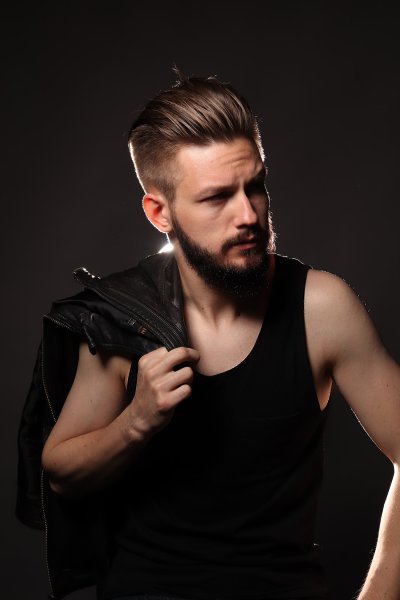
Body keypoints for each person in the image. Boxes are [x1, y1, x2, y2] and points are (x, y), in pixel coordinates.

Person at [16, 69, 400, 600]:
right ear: (160, 213)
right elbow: (60, 471)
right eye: (217, 197)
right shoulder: (125, 316)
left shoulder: (321, 308)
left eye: (255, 186)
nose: (248, 215)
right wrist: (135, 422)